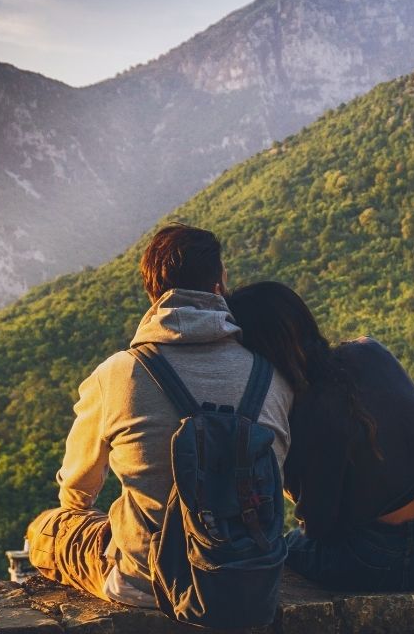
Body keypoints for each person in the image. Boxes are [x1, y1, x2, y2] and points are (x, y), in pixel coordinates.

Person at [24, 224, 294, 606]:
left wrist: (84, 515)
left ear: (152, 292)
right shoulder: (272, 376)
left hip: (146, 580)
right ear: (219, 284)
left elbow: (77, 486)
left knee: (46, 529)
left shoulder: (118, 373)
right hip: (248, 578)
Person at [226, 281, 414, 591]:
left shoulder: (309, 411)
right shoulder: (370, 351)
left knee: (279, 548)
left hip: (380, 559)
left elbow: (319, 529)